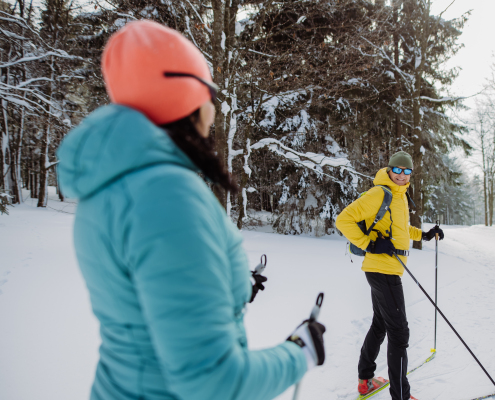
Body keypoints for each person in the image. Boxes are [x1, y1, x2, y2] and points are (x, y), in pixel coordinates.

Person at [57, 20, 325, 400]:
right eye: (209, 95)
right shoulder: (164, 197)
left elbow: (146, 309)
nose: (213, 112)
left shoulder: (113, 185)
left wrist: (225, 284)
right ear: (185, 97)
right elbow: (213, 382)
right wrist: (298, 354)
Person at [335, 151, 443, 400]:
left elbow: (401, 230)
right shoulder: (379, 193)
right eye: (398, 170)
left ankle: (366, 380)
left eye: (407, 172)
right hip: (382, 269)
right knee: (399, 333)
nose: (402, 175)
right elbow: (344, 220)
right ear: (390, 169)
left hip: (386, 269)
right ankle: (401, 397)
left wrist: (424, 235)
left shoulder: (399, 196)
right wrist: (369, 244)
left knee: (381, 324)